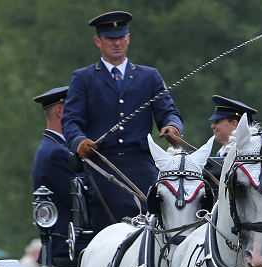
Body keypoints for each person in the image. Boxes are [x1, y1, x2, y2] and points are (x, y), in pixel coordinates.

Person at [62, 11, 184, 231]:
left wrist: (172, 127)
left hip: (141, 162)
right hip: (102, 164)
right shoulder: (83, 78)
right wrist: (79, 142)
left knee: (163, 208)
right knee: (116, 215)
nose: (116, 43)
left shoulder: (150, 76)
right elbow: (71, 121)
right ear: (98, 41)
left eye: (121, 37)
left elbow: (168, 112)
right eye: (110, 38)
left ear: (128, 39)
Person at [32, 86, 75, 260]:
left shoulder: (54, 148)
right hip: (68, 243)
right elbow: (83, 197)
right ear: (60, 112)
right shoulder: (57, 152)